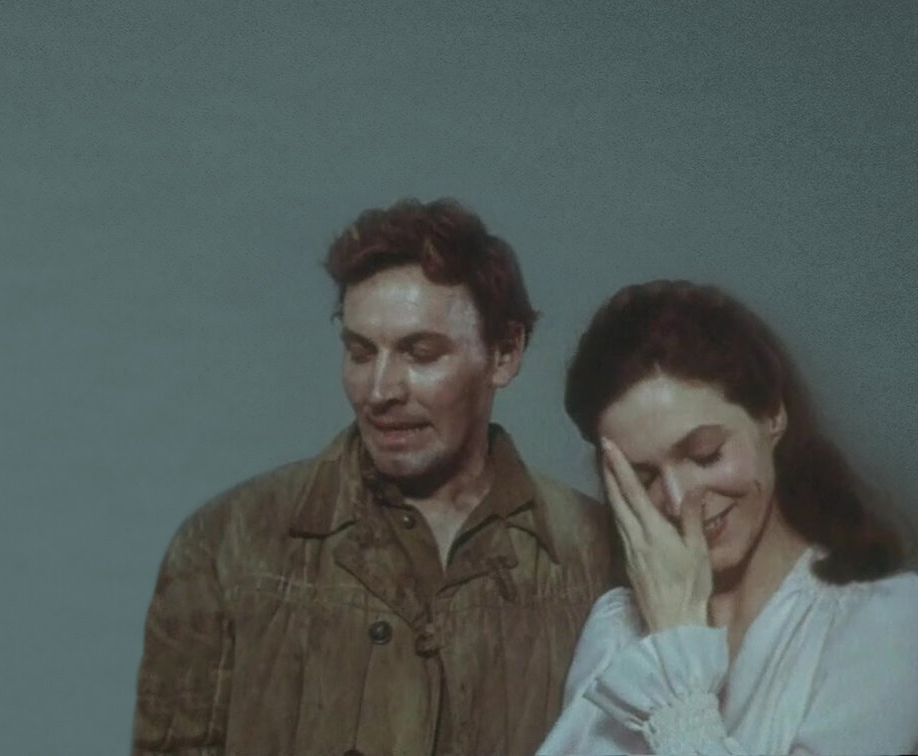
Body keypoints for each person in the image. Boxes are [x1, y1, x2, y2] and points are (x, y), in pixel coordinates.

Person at [132, 198, 615, 755]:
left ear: (504, 353)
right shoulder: (224, 544)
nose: (380, 390)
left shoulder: (596, 556)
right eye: (361, 353)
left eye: (420, 353)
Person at [539, 280, 918, 755]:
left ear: (772, 415)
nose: (678, 501)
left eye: (705, 454)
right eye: (644, 477)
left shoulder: (887, 624)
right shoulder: (615, 628)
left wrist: (676, 644)